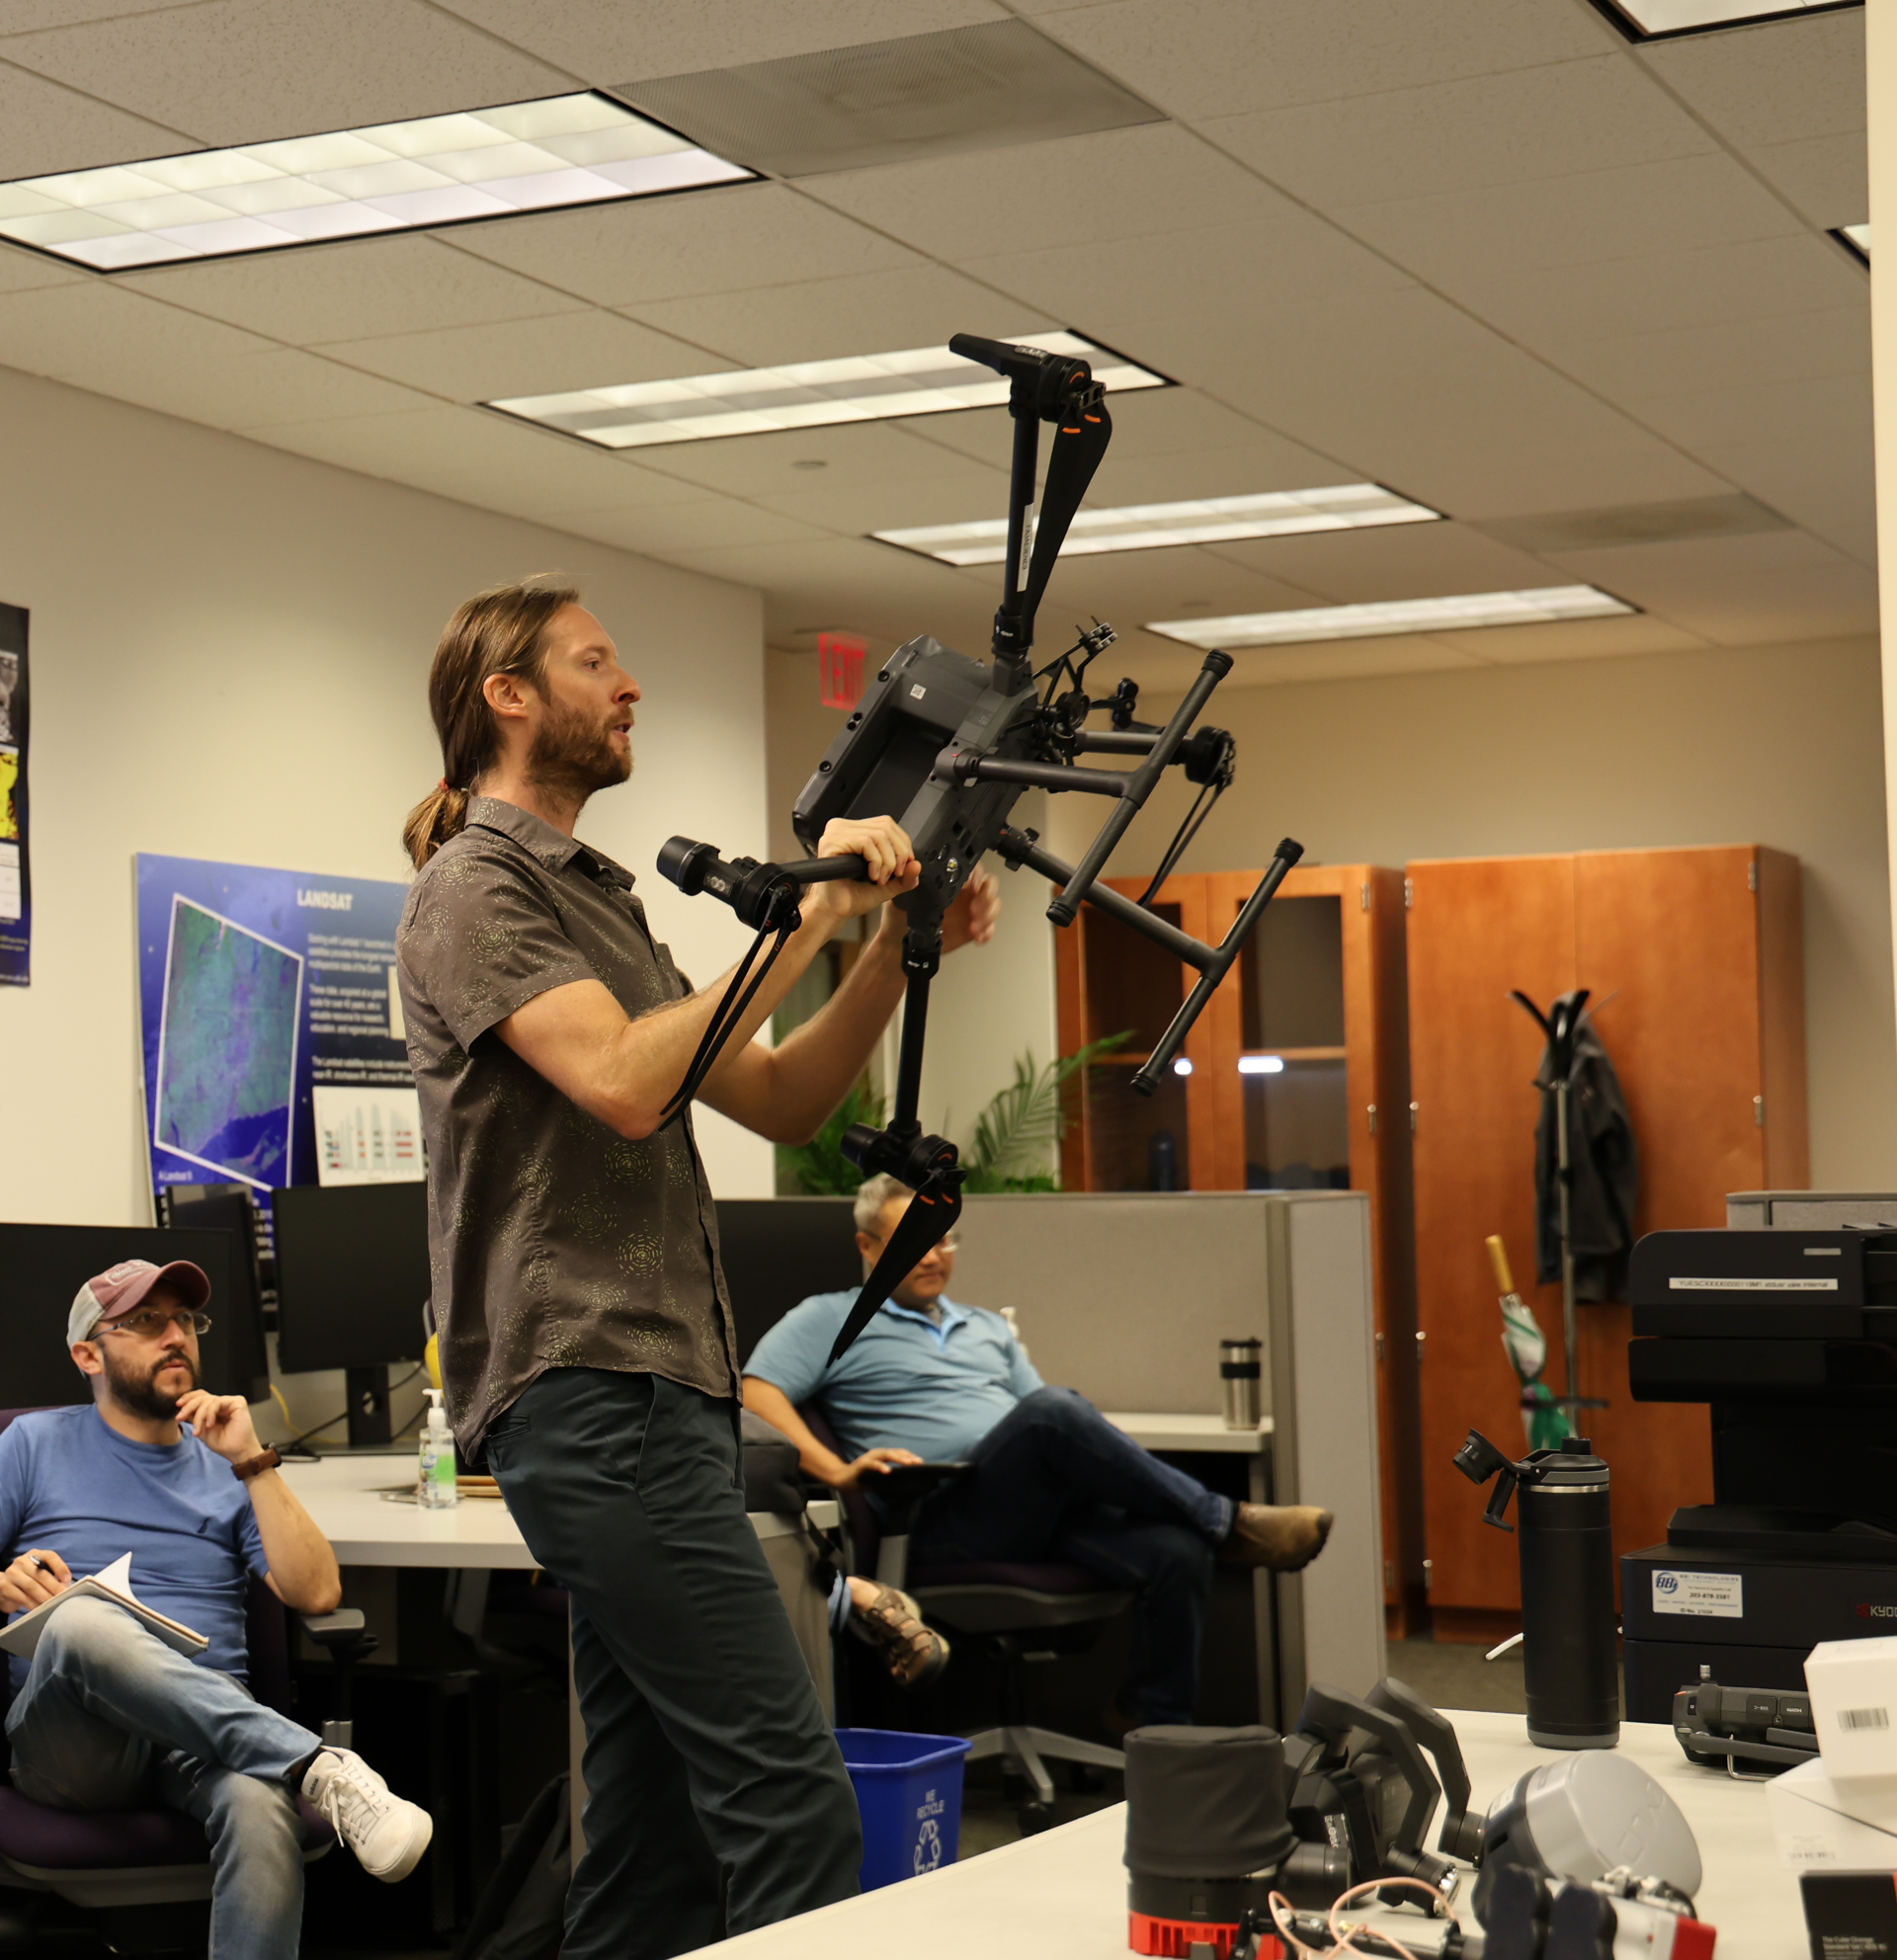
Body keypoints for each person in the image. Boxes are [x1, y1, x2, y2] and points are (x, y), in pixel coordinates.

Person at [395, 578, 998, 1960]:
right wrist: (805, 914)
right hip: (591, 1399)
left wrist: (891, 958)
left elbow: (778, 1098)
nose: (633, 686)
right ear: (508, 695)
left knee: (656, 1840)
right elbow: (618, 1082)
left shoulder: (600, 904)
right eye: (597, 663)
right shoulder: (475, 891)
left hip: (663, 1399)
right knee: (794, 1804)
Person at [0, 1258, 433, 1960]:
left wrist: (252, 1462)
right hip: (76, 1747)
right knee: (83, 1618)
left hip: (207, 1738)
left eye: (185, 1319)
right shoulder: (32, 1445)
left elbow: (318, 1595)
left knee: (257, 1804)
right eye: (146, 1322)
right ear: (88, 1354)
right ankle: (313, 1765)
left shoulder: (229, 1464)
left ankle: (293, 1770)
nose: (175, 1335)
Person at [740, 1174, 1334, 1730]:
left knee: (1176, 1551)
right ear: (867, 1247)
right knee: (1055, 1411)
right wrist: (840, 1472)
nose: (932, 1256)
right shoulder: (829, 1317)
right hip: (942, 1515)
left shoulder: (985, 1328)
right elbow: (755, 1394)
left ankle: (1154, 1726)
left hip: (1029, 1507)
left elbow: (1044, 1427)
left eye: (943, 1239)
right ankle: (1228, 1523)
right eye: (911, 1242)